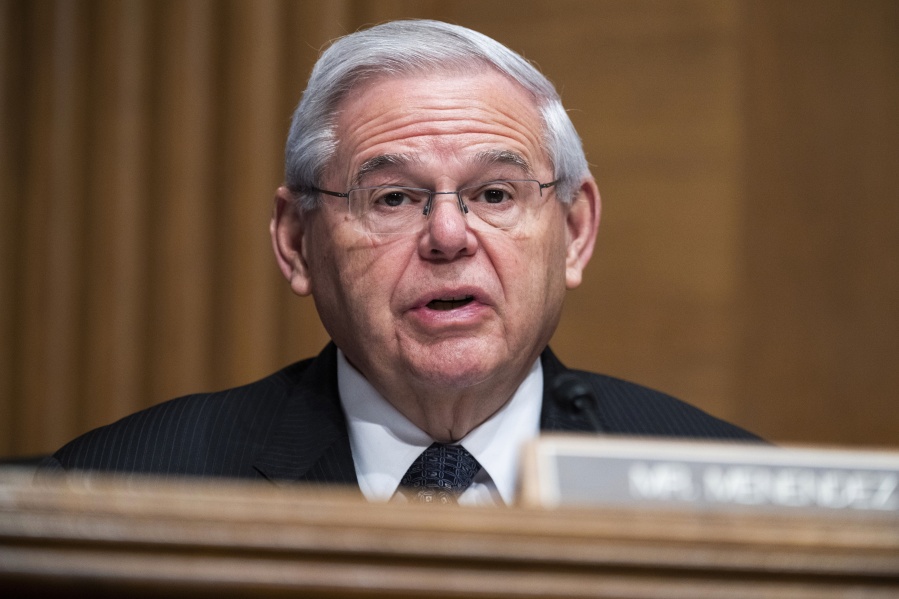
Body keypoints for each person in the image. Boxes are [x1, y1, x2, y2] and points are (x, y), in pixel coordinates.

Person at [39, 20, 758, 505]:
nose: (448, 233)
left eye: (495, 192)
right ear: (296, 241)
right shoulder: (118, 488)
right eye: (390, 197)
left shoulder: (732, 492)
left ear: (573, 231)